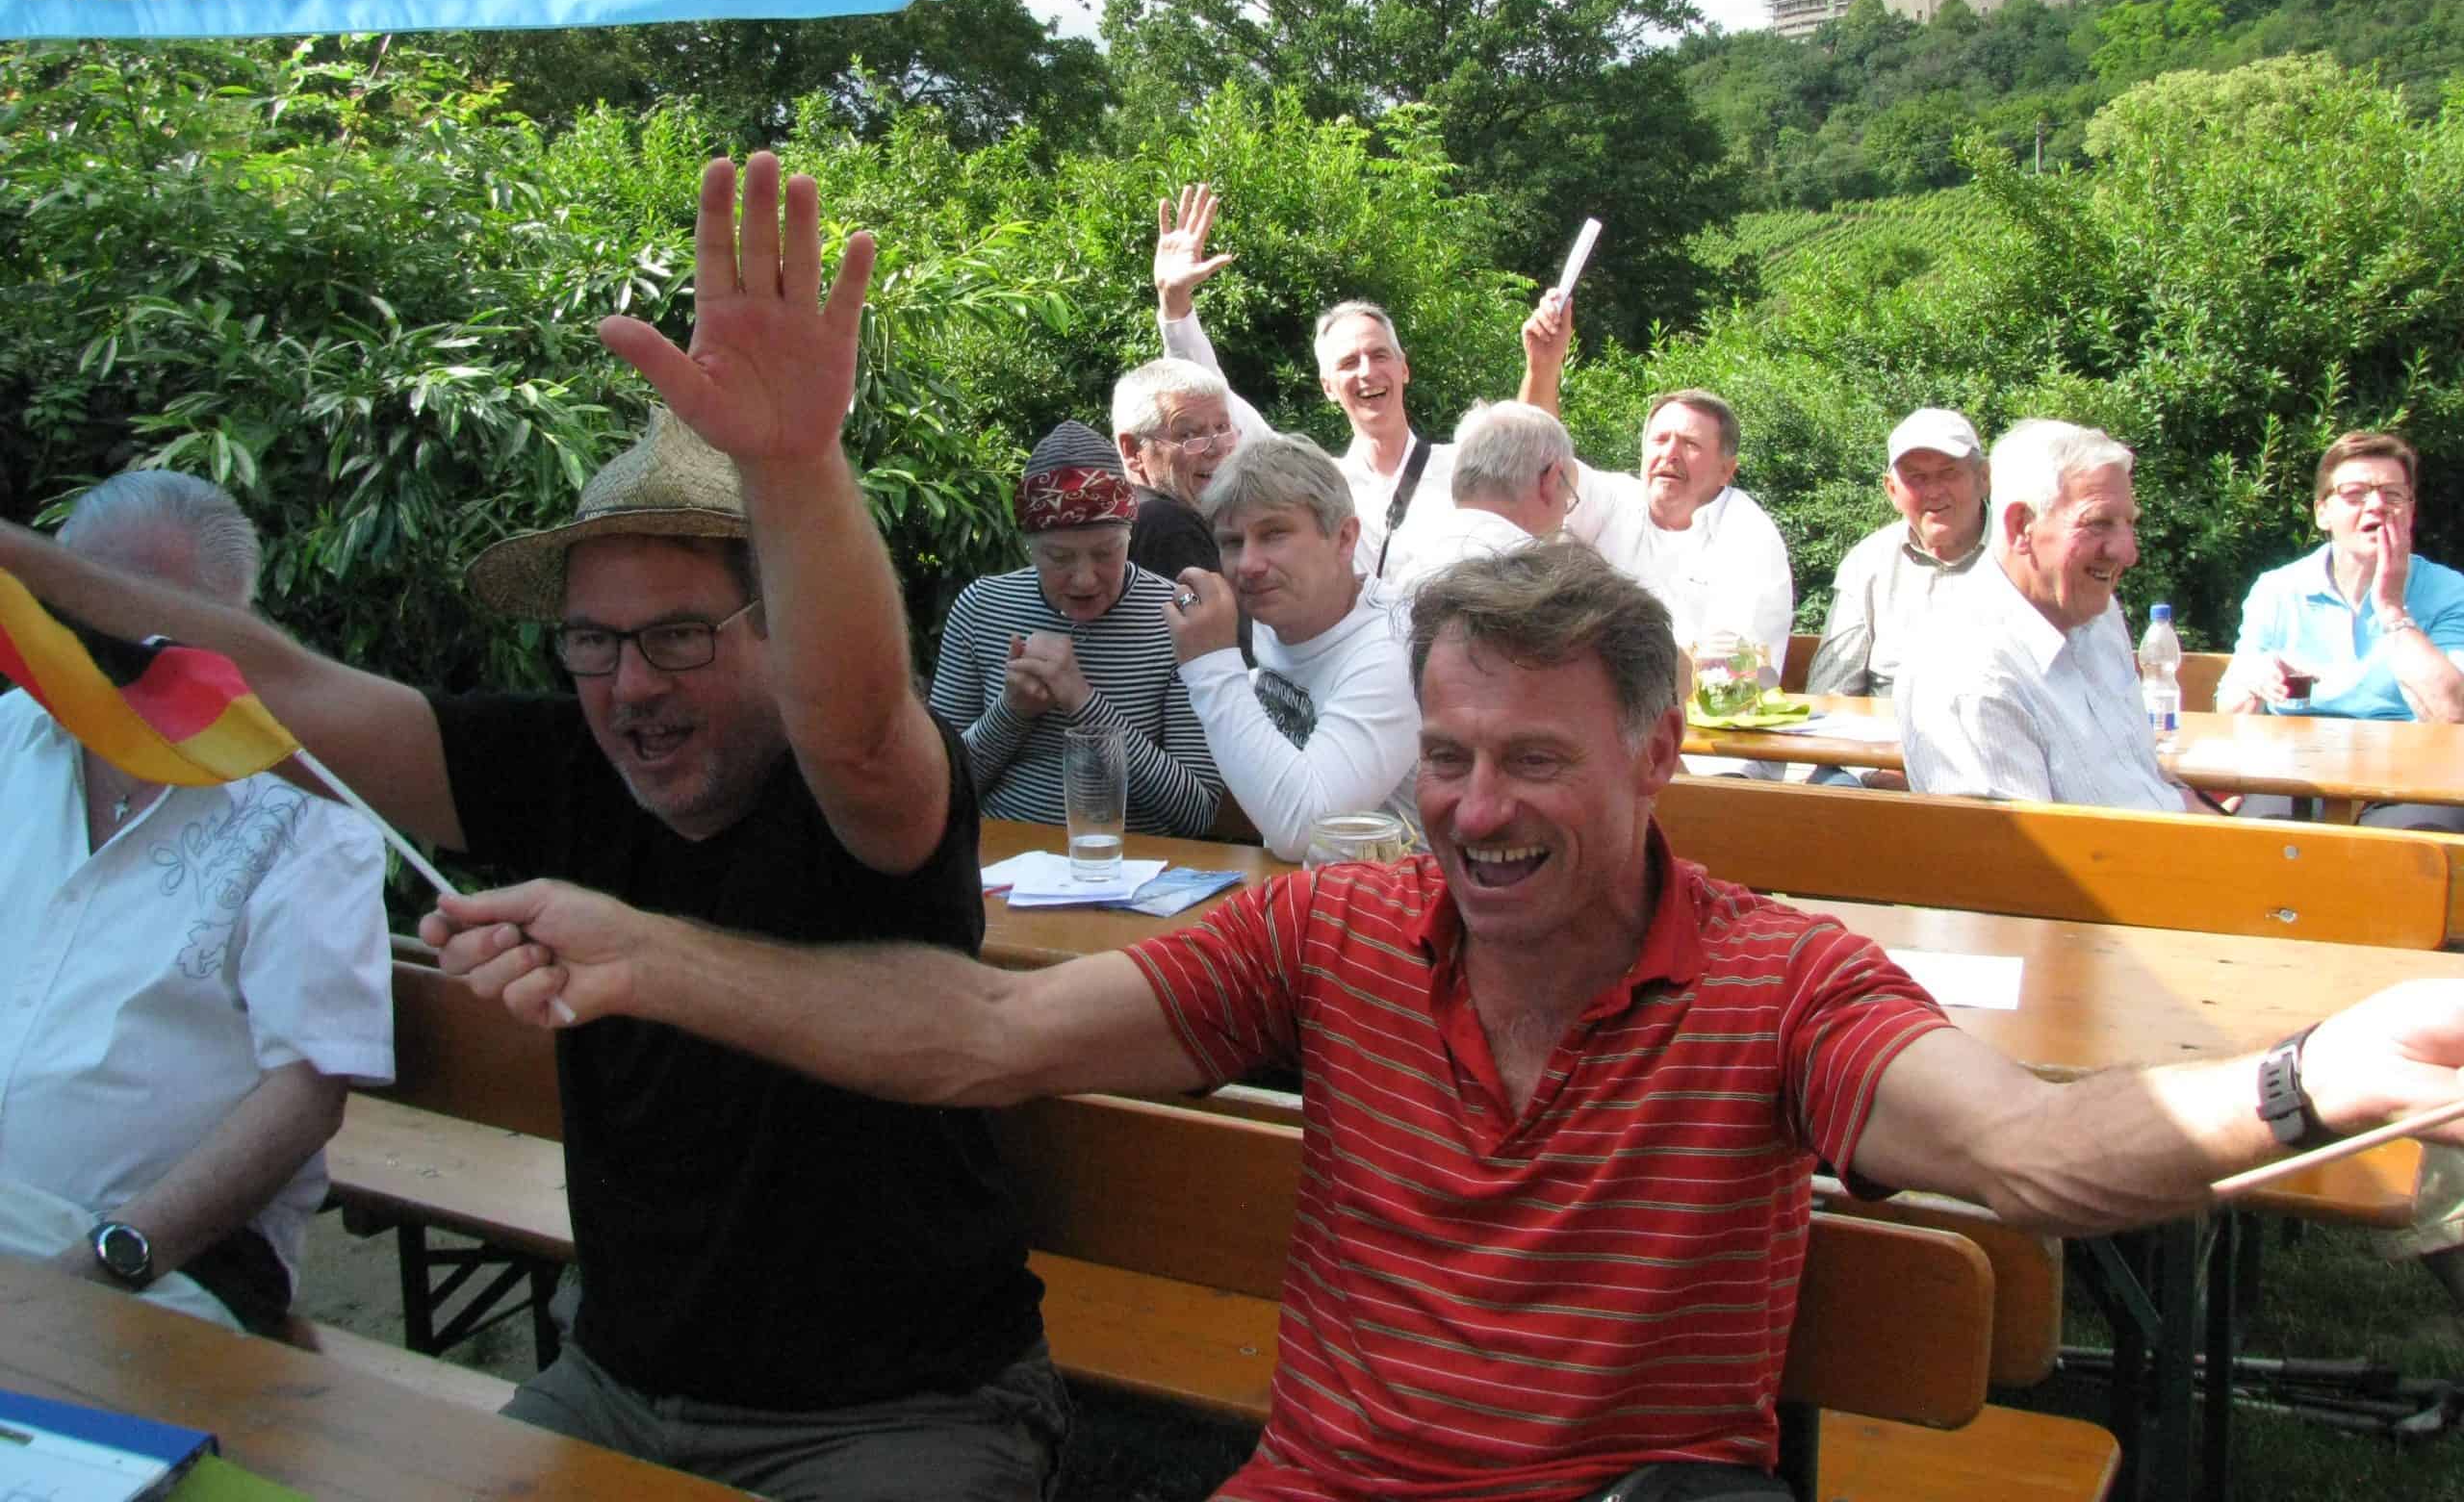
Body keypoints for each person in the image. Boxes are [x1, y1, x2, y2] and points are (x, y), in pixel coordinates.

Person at [421, 536, 2464, 1502]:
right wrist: (641, 952)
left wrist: (2310, 1079)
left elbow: (2026, 1153)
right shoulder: (1340, 941)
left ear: (1657, 755)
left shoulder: (1773, 981)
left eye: (1533, 764)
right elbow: (973, 1042)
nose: (1472, 810)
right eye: (1447, 756)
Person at [0, 157, 1061, 1502]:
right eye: (591, 641)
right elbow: (295, 694)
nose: (628, 685)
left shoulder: (855, 785)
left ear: (776, 629)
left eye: (680, 635)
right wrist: (21, 568)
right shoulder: (560, 761)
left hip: (902, 1419)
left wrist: (794, 462)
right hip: (609, 1391)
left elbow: (857, 723)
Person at [0, 471, 392, 1337]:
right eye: (74, 603)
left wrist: (108, 1259)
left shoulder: (304, 807)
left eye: (140, 619)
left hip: (158, 1263)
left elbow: (307, 1090)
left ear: (230, 633)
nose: (100, 639)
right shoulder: (8, 741)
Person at [928, 421, 1220, 835]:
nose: (1085, 579)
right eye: (1059, 558)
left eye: (1105, 553)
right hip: (1000, 866)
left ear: (1130, 535)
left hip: (1133, 868)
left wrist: (1081, 701)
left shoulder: (1178, 616)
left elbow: (1196, 810)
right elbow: (935, 789)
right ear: (1028, 547)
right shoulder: (983, 608)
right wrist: (1012, 712)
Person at [1152, 183, 1455, 578]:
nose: (1366, 372)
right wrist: (1175, 307)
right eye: (1348, 362)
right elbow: (1218, 401)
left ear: (1404, 368)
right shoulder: (1317, 481)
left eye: (1379, 355)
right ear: (1327, 386)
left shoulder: (1462, 468)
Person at [1897, 420, 2197, 813]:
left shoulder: (2097, 612)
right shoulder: (1969, 675)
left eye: (2129, 523)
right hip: (2127, 871)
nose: (2128, 552)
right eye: (2098, 523)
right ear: (2022, 526)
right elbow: (2017, 865)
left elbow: (2141, 779)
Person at [1163, 432, 1420, 859]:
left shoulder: (1393, 644)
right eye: (1232, 542)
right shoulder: (1279, 615)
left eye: (1275, 534)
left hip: (1411, 906)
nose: (1248, 565)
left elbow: (1311, 832)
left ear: (1344, 538)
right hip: (1308, 896)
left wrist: (1211, 666)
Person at [1519, 294, 1793, 665]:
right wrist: (1543, 367)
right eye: (1661, 440)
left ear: (1727, 471)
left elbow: (1736, 671)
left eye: (1691, 444)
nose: (1671, 454)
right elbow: (1540, 468)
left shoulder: (1750, 535)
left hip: (1700, 717)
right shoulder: (1616, 499)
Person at [2216, 431, 2464, 830]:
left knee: (2408, 853)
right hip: (2296, 771)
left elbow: (2453, 715)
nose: (2377, 506)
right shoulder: (2278, 590)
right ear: (2322, 513)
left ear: (2411, 510)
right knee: (2261, 840)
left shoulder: (2450, 591)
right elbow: (2228, 713)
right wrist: (2253, 677)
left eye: (2393, 495)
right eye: (2355, 494)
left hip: (2417, 776)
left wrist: (2391, 608)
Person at [1806, 408, 1990, 699]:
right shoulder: (1867, 563)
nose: (1934, 491)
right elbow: (1831, 692)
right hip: (1889, 734)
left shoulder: (2026, 557)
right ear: (1892, 490)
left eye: (1948, 473)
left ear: (1983, 478)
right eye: (1916, 478)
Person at [1378, 399, 1579, 596]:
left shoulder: (1400, 568)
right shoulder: (1550, 594)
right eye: (1568, 498)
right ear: (1551, 480)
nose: (1564, 517)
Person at [1110, 356, 1239, 582]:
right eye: (1188, 434)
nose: (1216, 447)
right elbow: (1204, 615)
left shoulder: (1126, 517)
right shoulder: (1166, 525)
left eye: (1222, 427)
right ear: (1132, 451)